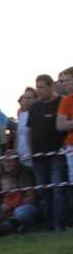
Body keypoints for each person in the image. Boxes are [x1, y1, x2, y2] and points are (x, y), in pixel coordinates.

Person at [27, 74, 67, 231]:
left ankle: (60, 223)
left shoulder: (61, 103)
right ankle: (47, 222)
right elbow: (29, 131)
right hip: (38, 157)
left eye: (41, 87)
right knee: (43, 191)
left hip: (57, 155)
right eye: (37, 87)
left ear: (51, 86)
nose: (38, 90)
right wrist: (30, 152)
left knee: (58, 189)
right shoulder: (35, 107)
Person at [0, 151, 38, 235]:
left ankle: (28, 226)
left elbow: (32, 197)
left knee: (19, 212)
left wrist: (11, 204)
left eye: (10, 161)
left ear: (17, 161)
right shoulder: (3, 174)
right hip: (8, 206)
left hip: (26, 206)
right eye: (4, 161)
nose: (6, 164)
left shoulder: (26, 172)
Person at [56, 66, 73, 226]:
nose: (63, 84)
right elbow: (60, 124)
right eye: (62, 81)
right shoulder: (66, 101)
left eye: (67, 80)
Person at [15, 87, 36, 167]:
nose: (25, 100)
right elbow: (18, 136)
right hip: (21, 158)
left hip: (34, 157)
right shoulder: (22, 116)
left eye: (29, 98)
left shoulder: (38, 115)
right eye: (24, 98)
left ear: (35, 99)